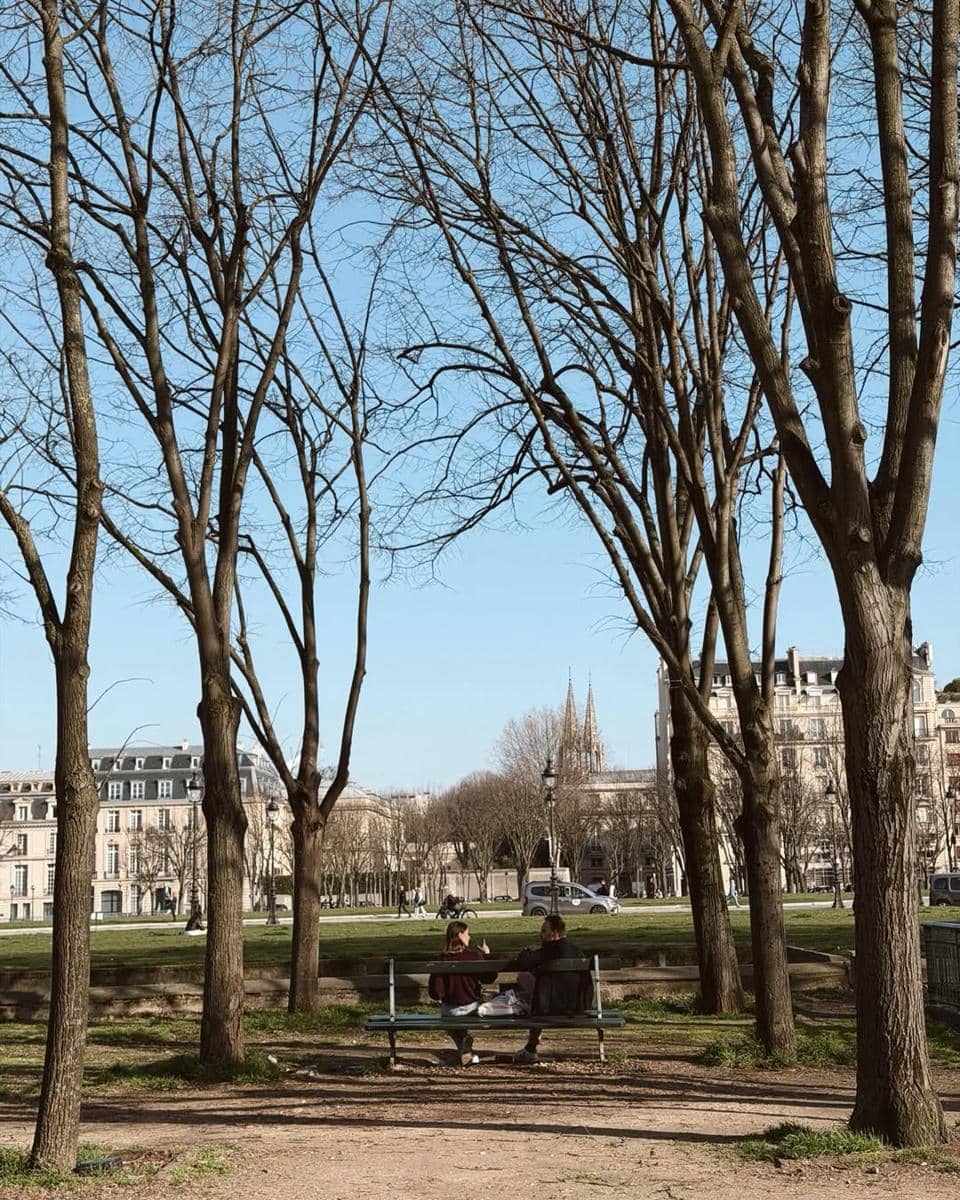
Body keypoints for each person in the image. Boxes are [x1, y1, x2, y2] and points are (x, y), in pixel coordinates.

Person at [511, 913, 591, 1064]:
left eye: (543, 931)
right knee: (537, 988)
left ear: (554, 934)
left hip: (550, 1008)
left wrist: (529, 950)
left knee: (523, 977)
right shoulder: (576, 950)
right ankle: (531, 1046)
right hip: (578, 1006)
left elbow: (523, 962)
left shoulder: (550, 949)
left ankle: (531, 1046)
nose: (541, 935)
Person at [427, 921, 496, 1066]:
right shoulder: (474, 956)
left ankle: (464, 1050)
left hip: (450, 1010)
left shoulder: (442, 959)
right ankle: (465, 1051)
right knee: (460, 1023)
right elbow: (489, 977)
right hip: (471, 1008)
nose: (469, 937)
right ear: (460, 935)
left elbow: (435, 993)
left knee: (449, 1021)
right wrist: (486, 955)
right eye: (467, 933)